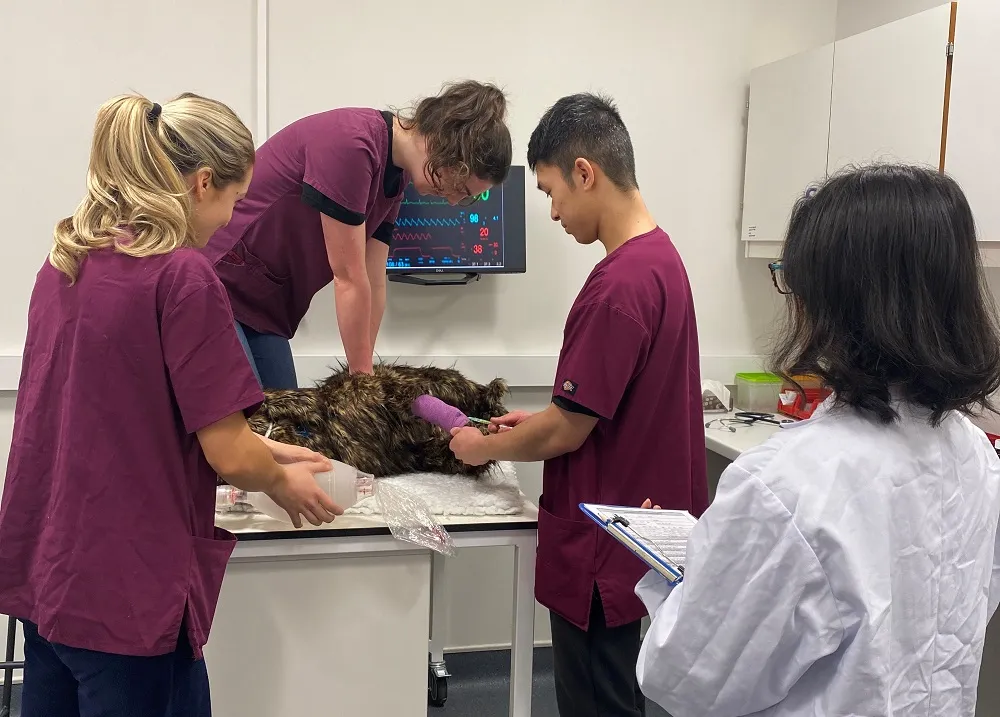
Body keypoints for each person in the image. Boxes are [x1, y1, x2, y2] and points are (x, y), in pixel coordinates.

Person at [0, 92, 342, 717]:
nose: (231, 220)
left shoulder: (66, 262)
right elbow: (228, 454)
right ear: (203, 183)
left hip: (50, 577)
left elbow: (116, 416)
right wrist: (278, 481)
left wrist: (265, 449)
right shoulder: (180, 275)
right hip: (126, 597)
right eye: (235, 200)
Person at [635, 164, 1000, 717]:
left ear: (832, 301)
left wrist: (679, 580)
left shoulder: (786, 486)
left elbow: (686, 677)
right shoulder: (975, 455)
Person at [448, 93, 709, 717]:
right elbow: (596, 410)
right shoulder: (662, 261)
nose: (554, 212)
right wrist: (536, 421)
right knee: (618, 691)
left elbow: (566, 431)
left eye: (551, 192)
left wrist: (479, 446)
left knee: (597, 699)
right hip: (634, 538)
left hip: (603, 545)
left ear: (585, 173)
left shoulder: (618, 287)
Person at [203, 80, 513, 388]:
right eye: (461, 188)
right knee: (246, 413)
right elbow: (348, 278)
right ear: (445, 149)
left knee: (286, 413)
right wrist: (361, 382)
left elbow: (373, 281)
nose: (454, 201)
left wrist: (365, 375)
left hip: (265, 305)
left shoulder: (397, 179)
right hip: (220, 282)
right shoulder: (352, 144)